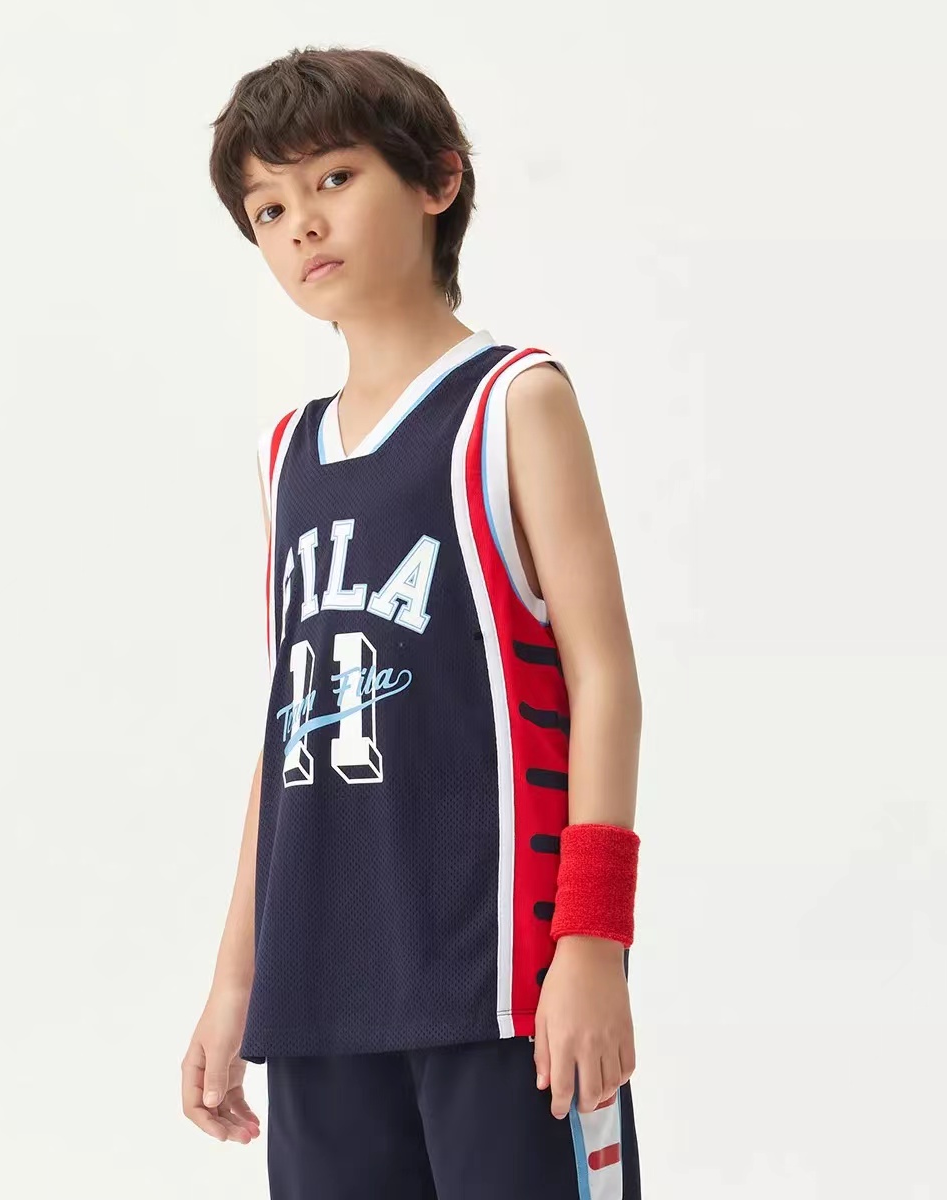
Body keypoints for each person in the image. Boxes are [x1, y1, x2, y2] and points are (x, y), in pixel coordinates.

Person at [182, 44, 644, 1199]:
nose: (301, 223)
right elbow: (288, 730)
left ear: (437, 179)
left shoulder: (512, 402)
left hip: (499, 980)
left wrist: (592, 943)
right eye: (269, 207)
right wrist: (235, 981)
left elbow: (604, 680)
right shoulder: (287, 455)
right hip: (317, 991)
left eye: (333, 179)